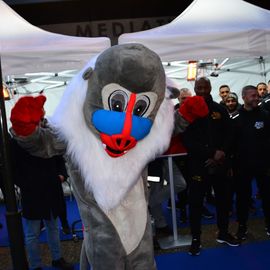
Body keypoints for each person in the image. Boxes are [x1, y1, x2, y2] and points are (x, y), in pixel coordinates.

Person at [182, 77, 240, 256]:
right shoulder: (188, 111)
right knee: (196, 203)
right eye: (199, 87)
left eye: (205, 87)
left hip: (220, 163)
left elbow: (230, 134)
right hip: (199, 164)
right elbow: (187, 140)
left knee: (223, 200)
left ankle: (223, 233)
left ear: (210, 88)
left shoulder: (219, 109)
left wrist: (221, 152)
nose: (202, 90)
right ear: (195, 88)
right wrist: (210, 153)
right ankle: (196, 239)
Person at [10, 131, 73, 270]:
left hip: (51, 188)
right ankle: (35, 265)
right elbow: (13, 168)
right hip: (32, 193)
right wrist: (26, 184)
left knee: (53, 228)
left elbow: (59, 158)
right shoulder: (16, 140)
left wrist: (62, 174)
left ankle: (57, 259)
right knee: (32, 233)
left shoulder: (47, 134)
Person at [232, 85, 270, 241]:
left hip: (264, 164)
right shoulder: (235, 118)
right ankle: (242, 226)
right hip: (242, 166)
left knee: (268, 195)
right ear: (244, 97)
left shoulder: (266, 115)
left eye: (257, 95)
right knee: (243, 198)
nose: (256, 98)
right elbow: (230, 143)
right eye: (252, 96)